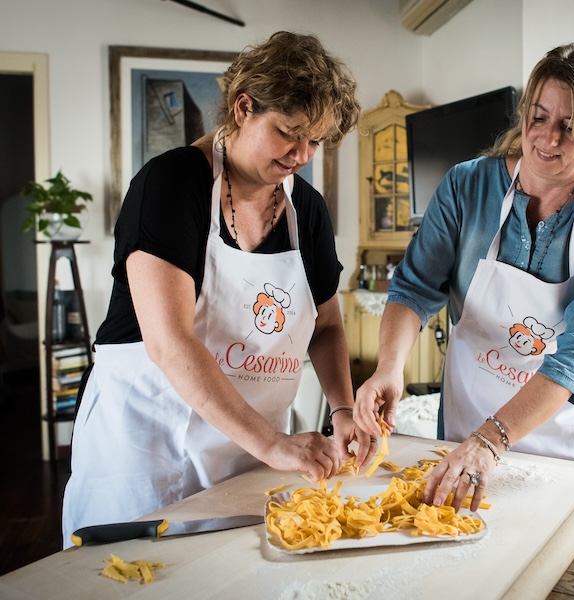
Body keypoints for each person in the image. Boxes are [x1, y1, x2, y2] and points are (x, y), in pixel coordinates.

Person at [62, 31, 373, 546]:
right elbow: (170, 342)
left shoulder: (307, 211)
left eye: (315, 141)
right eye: (289, 133)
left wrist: (341, 409)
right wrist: (272, 442)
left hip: (246, 461)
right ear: (243, 107)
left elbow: (328, 325)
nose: (302, 154)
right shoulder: (171, 185)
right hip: (147, 452)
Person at [354, 43, 574, 512]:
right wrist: (389, 367)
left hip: (564, 437)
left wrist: (493, 440)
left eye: (570, 128)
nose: (547, 139)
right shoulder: (467, 186)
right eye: (538, 117)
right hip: (468, 425)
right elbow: (413, 287)